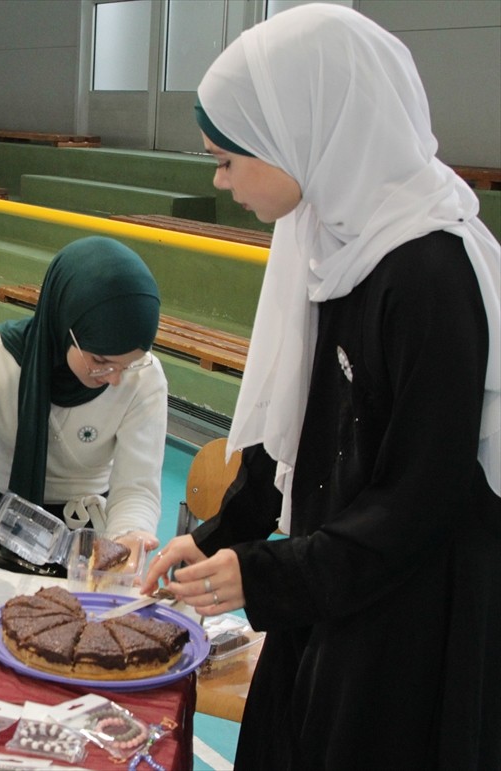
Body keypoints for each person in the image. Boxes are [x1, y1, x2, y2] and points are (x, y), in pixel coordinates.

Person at [142, 5, 500, 769]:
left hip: (407, 615)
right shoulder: (326, 230)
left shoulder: (428, 272)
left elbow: (419, 499)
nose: (220, 179)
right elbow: (297, 427)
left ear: (298, 135)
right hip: (335, 580)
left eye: (230, 159)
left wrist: (268, 572)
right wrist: (219, 536)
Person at [0, 236, 167, 574]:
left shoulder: (144, 379)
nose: (115, 378)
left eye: (128, 364)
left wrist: (126, 540)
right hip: (2, 525)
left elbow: (136, 487)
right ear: (65, 323)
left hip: (90, 536)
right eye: (101, 360)